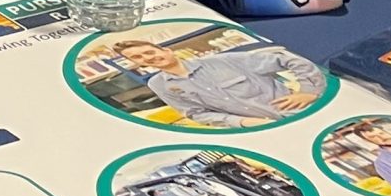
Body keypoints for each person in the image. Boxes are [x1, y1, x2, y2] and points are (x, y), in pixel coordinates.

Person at [101, 33, 309, 125]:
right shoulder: (158, 84)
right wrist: (242, 122)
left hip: (300, 114)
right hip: (261, 129)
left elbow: (287, 59)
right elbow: (196, 114)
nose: (149, 58)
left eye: (148, 52)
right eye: (138, 58)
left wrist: (309, 91)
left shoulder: (221, 61)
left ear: (166, 50)